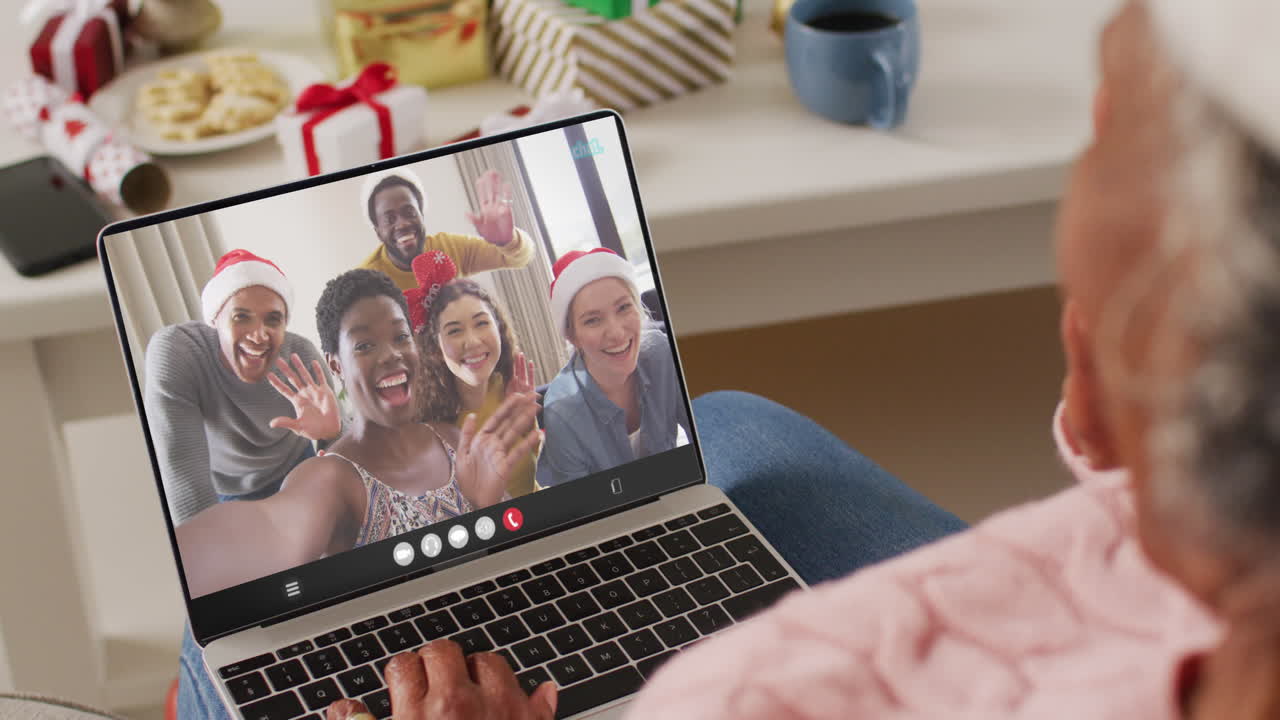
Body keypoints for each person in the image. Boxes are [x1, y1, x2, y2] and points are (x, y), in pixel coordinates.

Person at [326, 0, 1280, 718]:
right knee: (733, 423)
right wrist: (1146, 438)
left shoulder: (737, 695)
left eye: (1115, 122)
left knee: (223, 667)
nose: (616, 332)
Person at [173, 269, 541, 598]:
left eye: (400, 337)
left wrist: (488, 508)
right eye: (364, 345)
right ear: (336, 364)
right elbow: (269, 532)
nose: (390, 355)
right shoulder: (330, 479)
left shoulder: (456, 441)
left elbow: (517, 568)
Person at [145, 248, 340, 525]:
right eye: (241, 317)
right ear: (215, 319)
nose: (259, 335)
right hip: (227, 494)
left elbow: (345, 462)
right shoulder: (178, 353)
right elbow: (182, 471)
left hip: (299, 471)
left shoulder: (302, 359)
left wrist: (332, 436)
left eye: (273, 319)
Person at [535, 248, 692, 488]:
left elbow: (706, 441)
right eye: (593, 320)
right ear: (572, 336)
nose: (617, 333)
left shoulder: (661, 354)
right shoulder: (561, 413)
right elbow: (581, 511)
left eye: (623, 308)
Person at [413, 267, 540, 498]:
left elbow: (532, 470)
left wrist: (527, 422)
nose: (472, 342)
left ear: (498, 329)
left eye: (481, 323)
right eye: (454, 331)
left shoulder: (509, 387)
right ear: (435, 349)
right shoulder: (434, 432)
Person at [358, 166, 534, 291]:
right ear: (378, 232)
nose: (402, 224)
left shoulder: (448, 248)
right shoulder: (366, 282)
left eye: (409, 212)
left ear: (422, 215)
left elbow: (520, 259)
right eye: (389, 219)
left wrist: (507, 240)